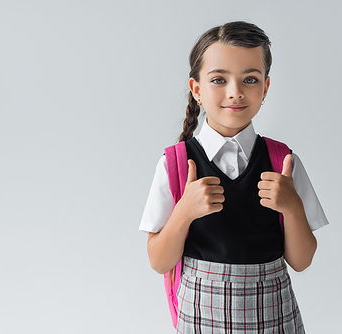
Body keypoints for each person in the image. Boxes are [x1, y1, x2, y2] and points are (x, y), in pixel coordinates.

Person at [139, 21, 328, 333]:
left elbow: (302, 260)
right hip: (201, 315)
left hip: (274, 315)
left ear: (265, 87)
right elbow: (159, 262)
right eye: (218, 79)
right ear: (197, 89)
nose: (235, 92)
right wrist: (184, 212)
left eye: (250, 79)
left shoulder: (284, 162)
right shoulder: (175, 164)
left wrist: (292, 207)